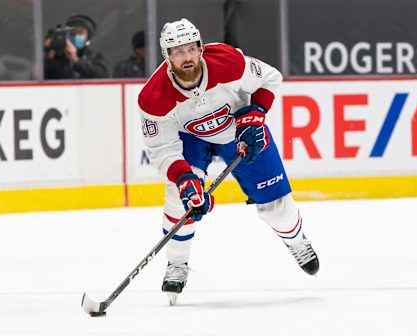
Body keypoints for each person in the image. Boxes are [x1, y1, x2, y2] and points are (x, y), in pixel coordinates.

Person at [138, 18, 319, 305]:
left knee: (277, 209)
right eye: (178, 52)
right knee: (179, 197)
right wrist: (186, 180)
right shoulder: (153, 97)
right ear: (167, 56)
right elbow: (162, 149)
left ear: (200, 48)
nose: (186, 57)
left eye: (190, 49)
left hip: (238, 129)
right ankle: (177, 264)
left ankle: (297, 241)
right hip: (191, 139)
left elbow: (271, 77)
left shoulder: (228, 62)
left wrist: (256, 111)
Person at [44, 14, 108, 79]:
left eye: (80, 32)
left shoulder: (94, 56)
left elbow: (102, 76)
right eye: (73, 32)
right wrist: (49, 55)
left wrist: (76, 60)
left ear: (87, 38)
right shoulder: (58, 55)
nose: (76, 35)